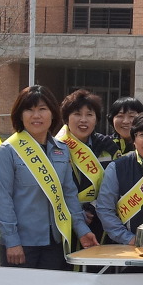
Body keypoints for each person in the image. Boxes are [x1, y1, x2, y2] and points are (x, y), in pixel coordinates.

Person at [0, 85, 98, 270]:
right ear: (20, 115)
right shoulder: (8, 151)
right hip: (22, 244)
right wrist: (11, 240)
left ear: (52, 113)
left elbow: (68, 194)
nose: (36, 116)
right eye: (29, 110)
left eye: (42, 109)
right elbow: (2, 200)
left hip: (55, 241)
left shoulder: (62, 149)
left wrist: (82, 230)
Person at [96, 112, 143, 245]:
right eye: (142, 135)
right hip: (124, 245)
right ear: (134, 138)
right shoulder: (116, 167)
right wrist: (128, 238)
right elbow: (105, 209)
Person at [56, 89, 118, 244]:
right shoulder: (55, 147)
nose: (83, 120)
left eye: (89, 115)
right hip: (64, 222)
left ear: (96, 119)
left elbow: (113, 186)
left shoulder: (107, 147)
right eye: (77, 114)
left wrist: (92, 207)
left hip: (100, 221)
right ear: (66, 118)